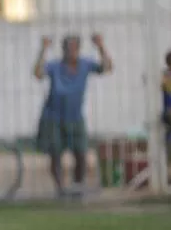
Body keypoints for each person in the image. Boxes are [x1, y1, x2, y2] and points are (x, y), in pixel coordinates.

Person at [33, 33, 113, 195]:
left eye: (74, 47)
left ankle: (78, 186)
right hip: (53, 116)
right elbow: (38, 74)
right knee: (55, 154)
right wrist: (43, 49)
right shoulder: (55, 65)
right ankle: (60, 188)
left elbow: (107, 68)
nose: (71, 51)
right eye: (68, 48)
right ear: (63, 50)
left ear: (79, 49)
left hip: (75, 117)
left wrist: (101, 46)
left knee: (81, 152)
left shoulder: (85, 64)